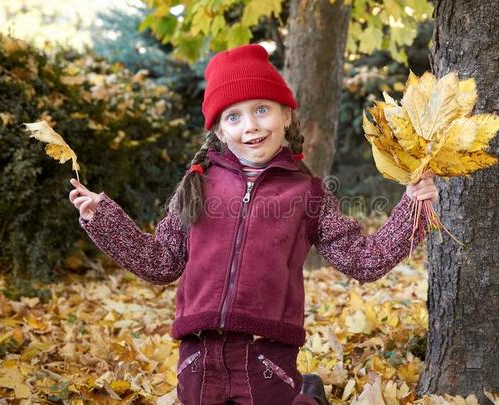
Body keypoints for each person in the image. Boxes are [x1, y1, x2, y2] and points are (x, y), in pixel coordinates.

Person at [68, 44, 438, 405]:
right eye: (234, 116)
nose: (251, 126)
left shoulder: (307, 194)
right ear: (218, 131)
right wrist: (101, 217)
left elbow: (364, 260)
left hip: (267, 354)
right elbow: (161, 262)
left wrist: (414, 208)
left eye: (261, 109)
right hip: (198, 354)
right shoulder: (197, 185)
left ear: (286, 115)